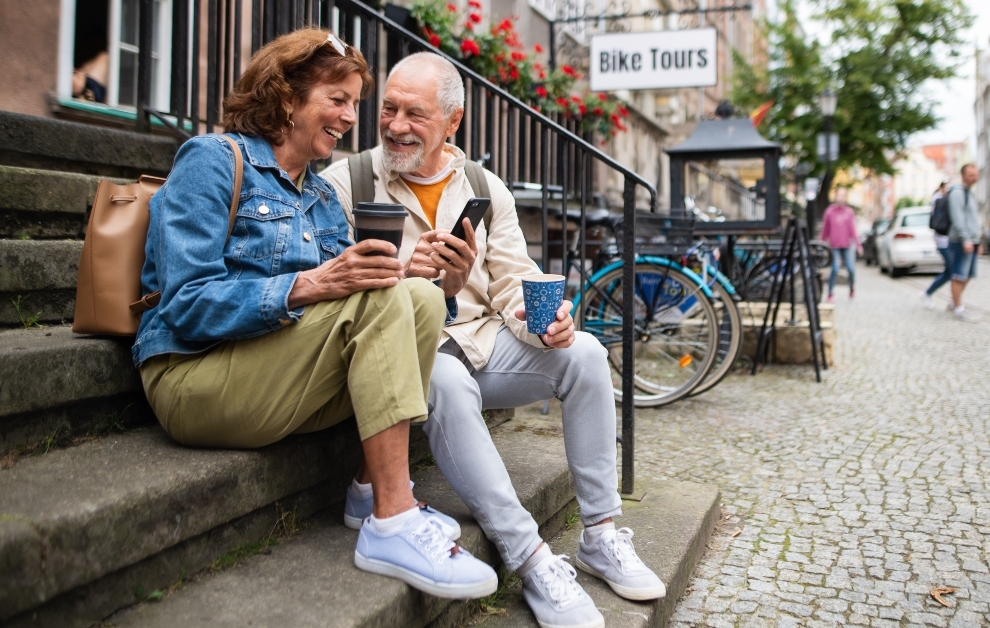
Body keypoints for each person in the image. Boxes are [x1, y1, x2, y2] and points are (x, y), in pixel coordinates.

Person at [133, 30, 498, 599]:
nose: (353, 116)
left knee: (419, 296)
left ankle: (365, 488)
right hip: (193, 376)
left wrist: (433, 277)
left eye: (355, 102)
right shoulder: (211, 162)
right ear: (286, 98)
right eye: (337, 98)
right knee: (385, 296)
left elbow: (359, 310)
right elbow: (185, 306)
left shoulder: (324, 197)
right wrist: (311, 284)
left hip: (272, 371)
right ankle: (393, 521)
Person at [324, 52, 664, 628]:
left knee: (583, 352)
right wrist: (417, 273)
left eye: (415, 113)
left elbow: (515, 281)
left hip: (482, 342)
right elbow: (336, 289)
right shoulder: (346, 181)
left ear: (452, 122)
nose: (396, 124)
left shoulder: (483, 186)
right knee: (444, 377)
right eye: (388, 108)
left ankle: (601, 534)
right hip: (412, 355)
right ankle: (530, 559)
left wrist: (548, 318)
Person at [945, 164, 982, 322]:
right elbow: (958, 218)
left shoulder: (969, 193)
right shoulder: (958, 193)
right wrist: (966, 239)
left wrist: (977, 241)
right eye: (971, 175)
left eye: (976, 174)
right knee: (959, 275)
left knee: (967, 275)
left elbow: (972, 219)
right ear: (963, 175)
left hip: (971, 240)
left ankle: (954, 302)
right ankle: (958, 309)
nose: (975, 178)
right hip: (960, 241)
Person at [820, 187, 861, 301]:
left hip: (847, 245)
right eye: (839, 195)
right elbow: (825, 230)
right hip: (835, 246)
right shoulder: (829, 212)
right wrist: (821, 244)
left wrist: (858, 245)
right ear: (835, 196)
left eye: (843, 195)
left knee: (851, 268)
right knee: (835, 268)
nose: (841, 198)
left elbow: (854, 230)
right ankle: (830, 292)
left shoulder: (849, 212)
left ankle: (852, 286)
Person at [920, 181, 952, 309]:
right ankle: (927, 293)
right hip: (943, 240)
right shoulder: (939, 199)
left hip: (946, 240)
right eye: (947, 187)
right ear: (941, 187)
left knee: (950, 272)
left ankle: (953, 300)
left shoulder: (939, 199)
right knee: (951, 271)